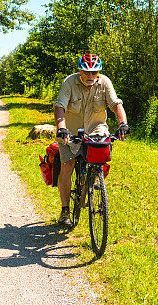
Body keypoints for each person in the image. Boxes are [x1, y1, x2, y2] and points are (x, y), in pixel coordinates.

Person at [53, 53, 130, 226]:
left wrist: (123, 124)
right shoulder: (69, 82)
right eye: (86, 72)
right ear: (80, 71)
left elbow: (116, 104)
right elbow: (60, 106)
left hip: (96, 129)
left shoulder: (104, 82)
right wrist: (62, 129)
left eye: (94, 73)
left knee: (100, 159)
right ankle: (65, 210)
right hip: (70, 131)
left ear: (98, 73)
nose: (90, 76)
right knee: (68, 165)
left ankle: (95, 179)